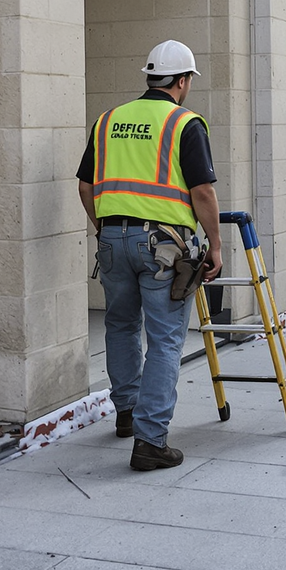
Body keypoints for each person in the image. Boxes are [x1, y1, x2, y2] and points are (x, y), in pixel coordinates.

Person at [77, 40, 222, 471]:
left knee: (120, 324)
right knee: (165, 339)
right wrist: (215, 245)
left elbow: (85, 186)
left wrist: (104, 228)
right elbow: (203, 191)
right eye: (189, 80)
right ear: (181, 81)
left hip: (111, 239)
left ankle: (126, 412)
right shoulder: (184, 123)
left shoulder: (108, 121)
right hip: (162, 247)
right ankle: (150, 440)